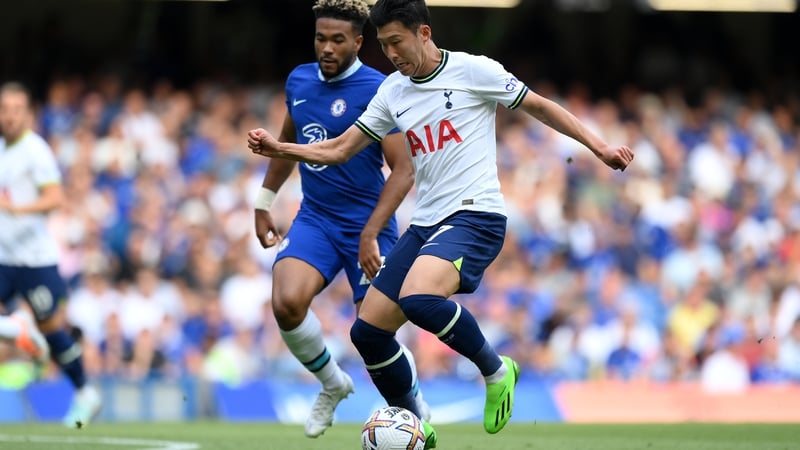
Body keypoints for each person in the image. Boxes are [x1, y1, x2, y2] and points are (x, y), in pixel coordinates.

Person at [248, 0, 633, 445]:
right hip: (426, 225)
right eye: (384, 45)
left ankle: (496, 369)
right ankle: (417, 427)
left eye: (397, 42)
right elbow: (339, 149)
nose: (391, 53)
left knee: (418, 299)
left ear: (424, 34)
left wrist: (599, 146)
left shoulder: (474, 71)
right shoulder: (393, 91)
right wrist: (282, 149)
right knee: (368, 332)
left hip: (476, 215)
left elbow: (542, 107)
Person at [251, 0, 427, 439]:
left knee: (372, 332)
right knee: (286, 302)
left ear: (358, 43)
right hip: (316, 218)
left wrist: (371, 232)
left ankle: (415, 412)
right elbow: (288, 144)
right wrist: (263, 202)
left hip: (370, 225)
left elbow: (403, 170)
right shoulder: (299, 80)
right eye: (320, 38)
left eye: (337, 40)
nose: (326, 48)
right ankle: (333, 384)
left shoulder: (379, 88)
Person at [0, 81, 102, 428]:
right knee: (40, 331)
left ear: (28, 115)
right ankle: (17, 332)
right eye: (3, 109)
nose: (9, 116)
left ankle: (86, 393)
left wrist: (17, 209)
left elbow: (56, 198)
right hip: (3, 257)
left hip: (35, 260)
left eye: (16, 109)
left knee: (54, 332)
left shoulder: (35, 150)